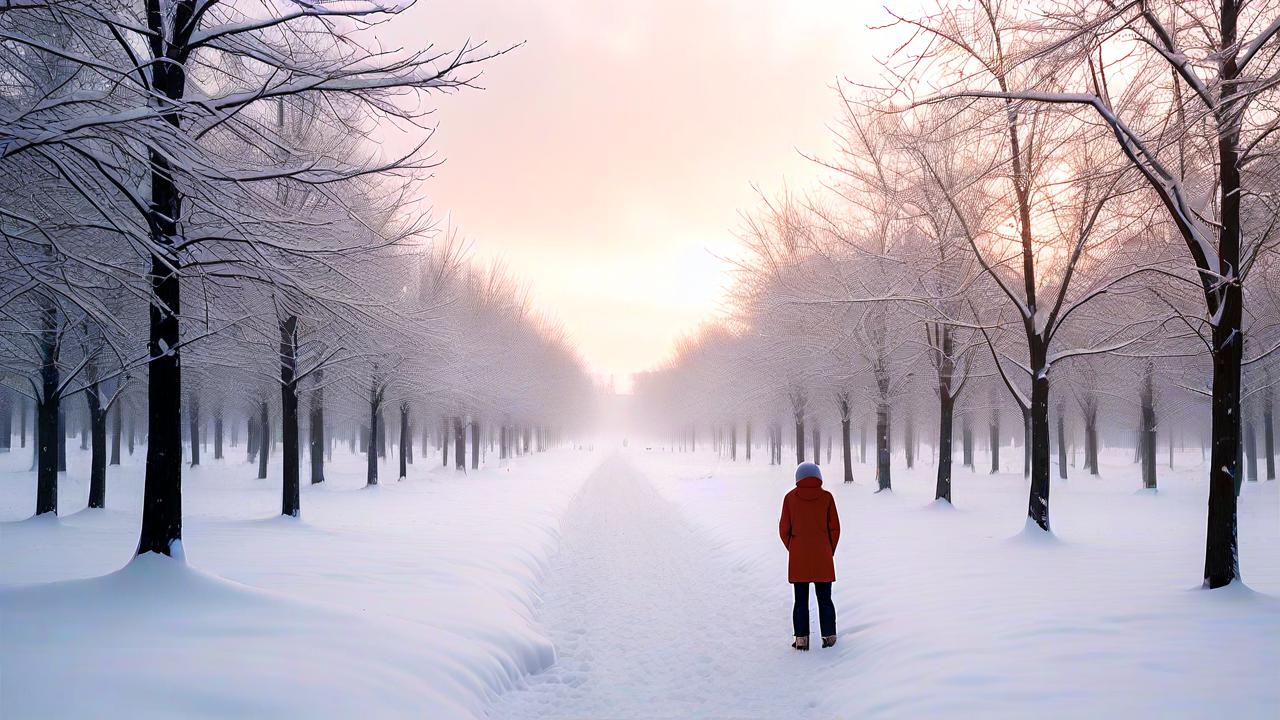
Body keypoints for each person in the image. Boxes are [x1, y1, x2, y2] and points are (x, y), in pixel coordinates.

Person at [778, 461, 840, 651]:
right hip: (822, 556)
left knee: (800, 600)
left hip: (799, 558)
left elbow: (783, 530)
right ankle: (829, 636)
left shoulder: (790, 498)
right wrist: (828, 550)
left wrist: (794, 548)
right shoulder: (827, 498)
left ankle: (802, 639)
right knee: (825, 599)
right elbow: (835, 529)